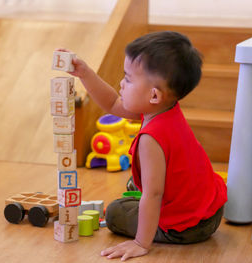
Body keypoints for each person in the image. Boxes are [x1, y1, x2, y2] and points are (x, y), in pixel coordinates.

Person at [62, 31, 227, 261]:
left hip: (188, 228)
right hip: (211, 209)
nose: (121, 83)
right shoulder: (163, 109)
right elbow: (111, 103)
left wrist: (141, 243)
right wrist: (85, 74)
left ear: (154, 95)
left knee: (115, 212)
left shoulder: (151, 139)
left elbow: (153, 193)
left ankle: (151, 232)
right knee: (136, 185)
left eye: (128, 79)